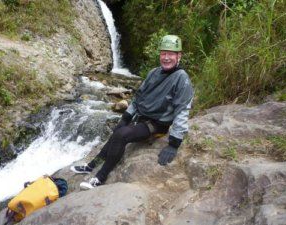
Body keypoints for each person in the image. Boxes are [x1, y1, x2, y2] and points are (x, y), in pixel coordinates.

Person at [71, 35, 194, 189]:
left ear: (178, 56)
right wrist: (126, 117)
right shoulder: (154, 73)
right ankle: (91, 165)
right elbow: (138, 98)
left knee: (121, 135)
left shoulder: (181, 79)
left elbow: (182, 111)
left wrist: (174, 144)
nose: (166, 58)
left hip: (156, 125)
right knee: (118, 129)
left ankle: (100, 177)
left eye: (171, 54)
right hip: (141, 118)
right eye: (163, 53)